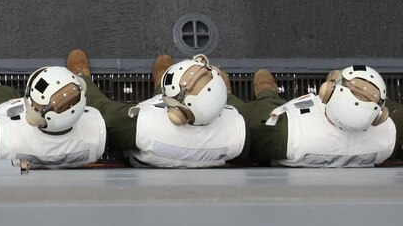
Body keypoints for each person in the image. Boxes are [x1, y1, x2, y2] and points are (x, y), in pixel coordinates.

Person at [68, 49, 247, 168]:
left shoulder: (143, 125)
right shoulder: (238, 134)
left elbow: (106, 116)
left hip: (143, 161)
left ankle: (81, 77)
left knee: (105, 110)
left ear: (176, 112)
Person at [229, 66, 399, 167]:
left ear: (326, 93)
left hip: (291, 128)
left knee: (264, 106)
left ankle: (264, 92)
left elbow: (249, 146)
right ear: (379, 116)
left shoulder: (285, 134)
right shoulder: (389, 138)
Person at [0, 65, 105, 167]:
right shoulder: (99, 134)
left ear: (34, 118)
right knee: (97, 98)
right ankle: (81, 75)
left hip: (7, 129)